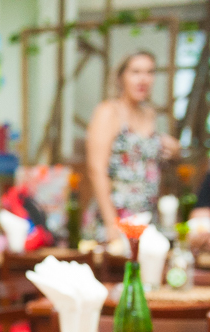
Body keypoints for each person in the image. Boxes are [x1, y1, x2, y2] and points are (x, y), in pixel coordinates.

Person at [85, 50, 180, 242]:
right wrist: (112, 223)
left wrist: (174, 150)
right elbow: (96, 170)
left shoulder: (149, 115)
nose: (143, 79)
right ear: (121, 77)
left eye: (150, 72)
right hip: (115, 218)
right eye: (136, 72)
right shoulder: (108, 112)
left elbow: (142, 156)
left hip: (146, 217)